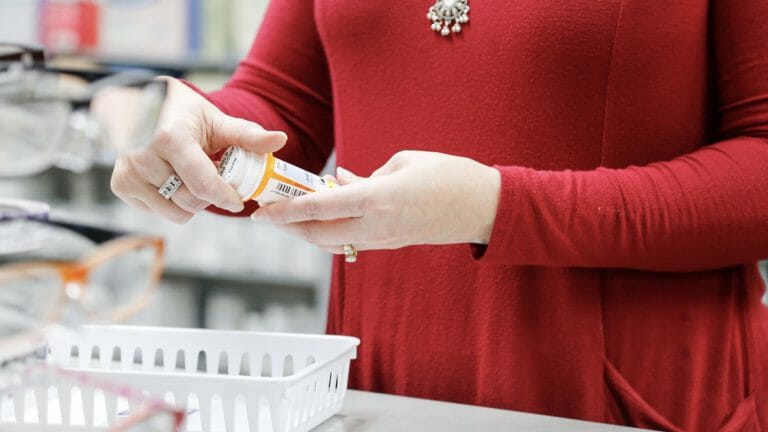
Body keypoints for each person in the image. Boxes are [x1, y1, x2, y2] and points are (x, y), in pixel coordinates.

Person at [109, 1, 768, 430]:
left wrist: (499, 208)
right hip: (380, 392)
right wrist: (193, 128)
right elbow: (280, 104)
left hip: (623, 402)